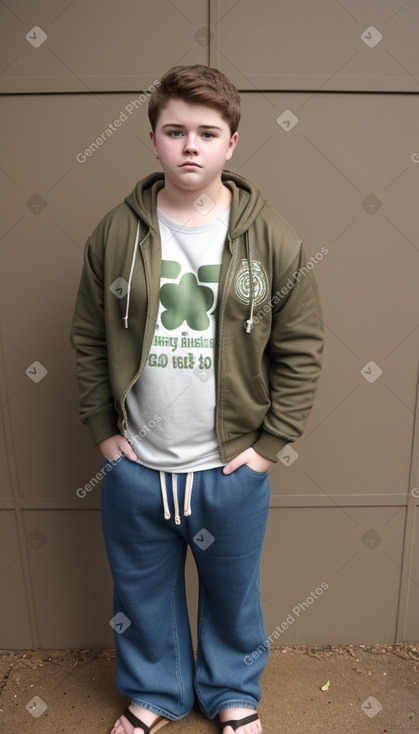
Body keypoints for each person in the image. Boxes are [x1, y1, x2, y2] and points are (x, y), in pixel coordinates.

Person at [71, 64, 324, 734]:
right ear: (151, 139)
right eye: (174, 130)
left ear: (230, 144)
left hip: (229, 466)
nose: (190, 145)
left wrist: (269, 448)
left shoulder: (272, 239)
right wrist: (104, 433)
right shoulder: (114, 233)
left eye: (206, 133)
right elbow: (89, 337)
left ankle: (231, 693)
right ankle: (154, 694)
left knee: (232, 593)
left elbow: (300, 349)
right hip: (137, 464)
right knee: (141, 591)